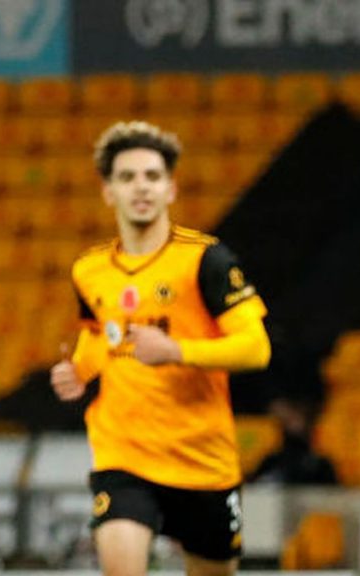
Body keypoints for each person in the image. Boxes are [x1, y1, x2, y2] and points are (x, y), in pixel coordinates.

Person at [50, 121, 272, 576]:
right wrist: (79, 370)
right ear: (108, 191)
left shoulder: (206, 260)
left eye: (152, 176)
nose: (141, 187)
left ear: (171, 189)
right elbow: (100, 334)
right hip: (124, 455)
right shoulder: (90, 270)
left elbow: (256, 349)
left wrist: (178, 351)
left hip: (201, 461)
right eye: (127, 177)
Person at [246, 397, 338, 486]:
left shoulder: (320, 466)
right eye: (287, 420)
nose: (292, 423)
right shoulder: (272, 461)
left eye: (295, 418)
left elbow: (333, 494)